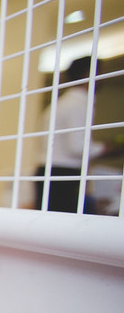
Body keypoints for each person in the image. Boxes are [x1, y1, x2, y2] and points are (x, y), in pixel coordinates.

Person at [35, 56, 106, 213]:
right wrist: (106, 148)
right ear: (88, 74)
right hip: (61, 174)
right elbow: (77, 147)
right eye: (101, 72)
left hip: (54, 172)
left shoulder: (64, 102)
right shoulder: (76, 105)